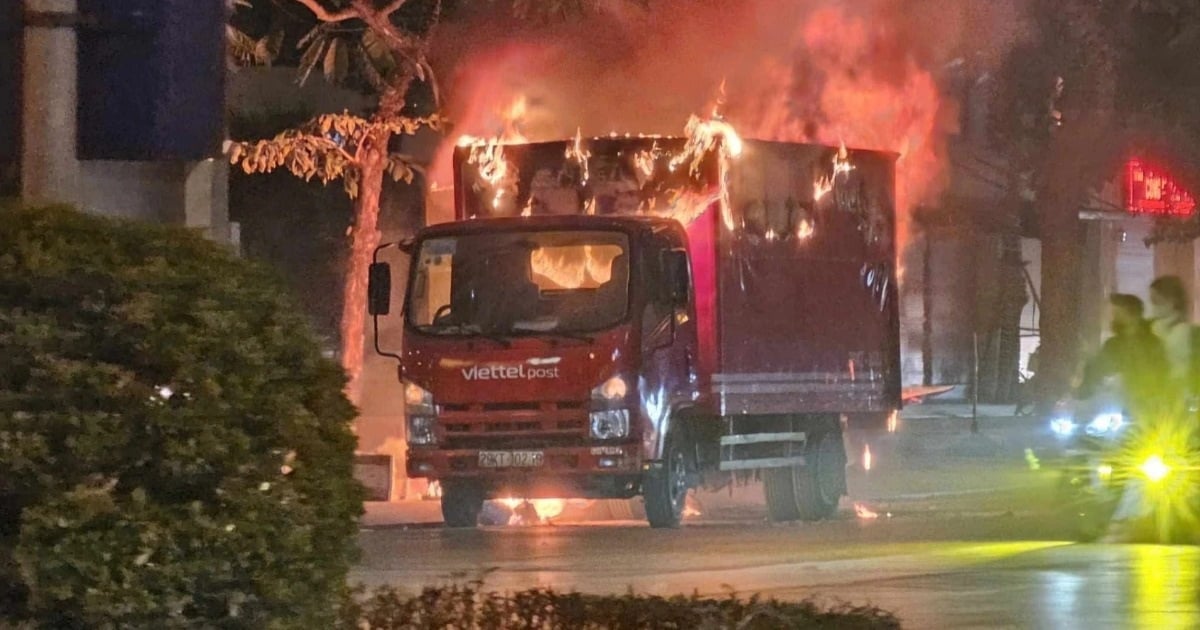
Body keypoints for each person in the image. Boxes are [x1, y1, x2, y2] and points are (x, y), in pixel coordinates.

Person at [1076, 294, 1168, 419]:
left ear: (1132, 315)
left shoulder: (1153, 344)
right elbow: (1097, 372)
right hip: (1114, 411)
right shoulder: (1112, 345)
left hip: (1146, 413)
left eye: (1117, 313)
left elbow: (1162, 378)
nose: (1113, 318)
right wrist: (1082, 392)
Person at [1148, 275, 1196, 400]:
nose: (1153, 307)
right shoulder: (1152, 328)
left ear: (1172, 301)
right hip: (1157, 393)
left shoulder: (1185, 332)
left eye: (1157, 301)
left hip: (1180, 394)